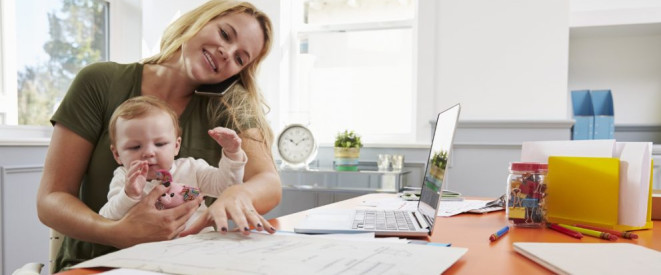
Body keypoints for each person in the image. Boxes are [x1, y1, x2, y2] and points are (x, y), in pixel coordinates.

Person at [36, 0, 281, 271]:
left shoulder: (230, 104)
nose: (227, 53)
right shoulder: (99, 82)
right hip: (96, 264)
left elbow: (269, 182)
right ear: (198, 21)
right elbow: (52, 199)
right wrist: (117, 232)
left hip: (181, 264)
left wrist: (238, 193)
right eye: (225, 34)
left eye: (239, 58)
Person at [99, 96, 247, 234]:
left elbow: (226, 188)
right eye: (135, 147)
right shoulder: (124, 178)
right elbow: (107, 218)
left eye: (160, 144)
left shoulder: (192, 169)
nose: (149, 152)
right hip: (149, 255)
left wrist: (232, 154)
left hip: (199, 247)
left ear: (176, 146)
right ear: (117, 154)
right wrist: (129, 195)